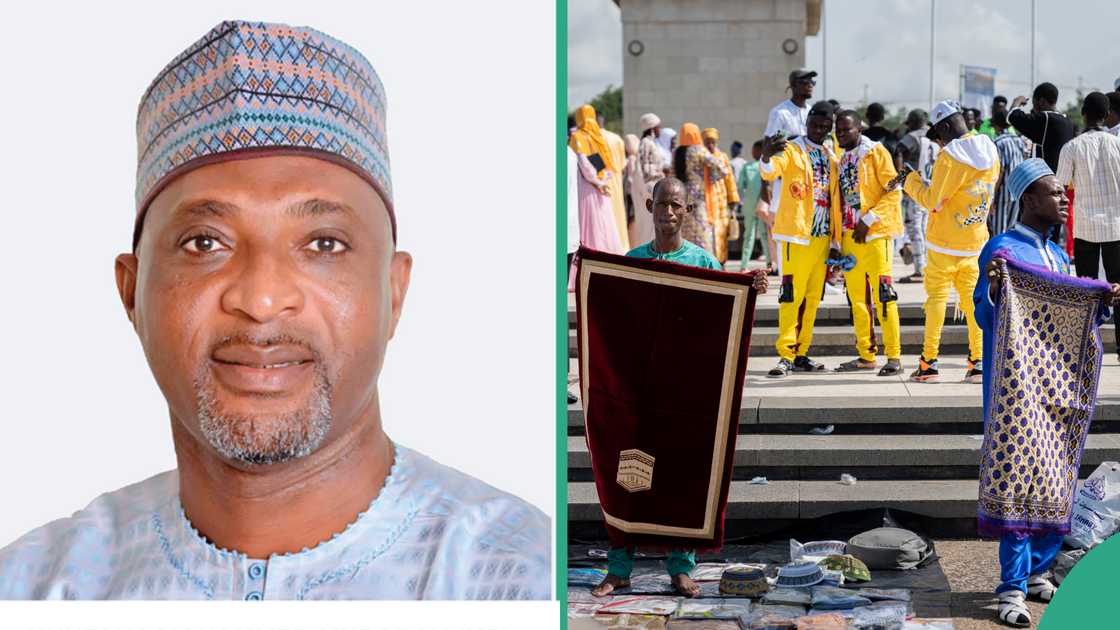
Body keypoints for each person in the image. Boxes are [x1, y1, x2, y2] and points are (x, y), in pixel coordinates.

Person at [0, 20, 550, 601]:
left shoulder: (519, 583)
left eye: (323, 244)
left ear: (394, 291)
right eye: (204, 243)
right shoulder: (34, 587)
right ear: (131, 291)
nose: (261, 300)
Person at [592, 178, 769, 599]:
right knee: (627, 476)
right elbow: (614, 322)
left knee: (682, 476)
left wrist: (749, 288)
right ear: (650, 207)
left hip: (684, 395)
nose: (668, 213)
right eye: (662, 205)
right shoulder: (633, 262)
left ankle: (681, 568)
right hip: (636, 395)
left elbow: (723, 318)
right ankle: (619, 568)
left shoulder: (704, 264)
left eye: (677, 206)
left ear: (687, 211)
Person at [974, 158, 1120, 627]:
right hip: (1018, 391)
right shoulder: (1003, 248)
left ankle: (1038, 571)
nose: (1063, 200)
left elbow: (1074, 318)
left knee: (1057, 476)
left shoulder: (1057, 255)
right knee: (1020, 479)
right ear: (1029, 199)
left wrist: (1100, 303)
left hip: (1059, 388)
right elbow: (986, 312)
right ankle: (1010, 589)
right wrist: (997, 288)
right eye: (1054, 193)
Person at [901, 100, 998, 384]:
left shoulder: (950, 157)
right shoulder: (991, 149)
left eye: (938, 136)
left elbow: (933, 201)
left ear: (945, 126)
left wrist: (911, 180)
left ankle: (928, 362)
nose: (940, 143)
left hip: (944, 243)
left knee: (936, 302)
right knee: (973, 304)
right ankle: (977, 362)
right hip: (976, 239)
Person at [760, 101, 840, 378]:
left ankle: (802, 352)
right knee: (791, 296)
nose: (819, 130)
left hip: (822, 238)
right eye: (815, 125)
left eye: (824, 127)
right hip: (796, 236)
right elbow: (770, 171)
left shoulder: (831, 153)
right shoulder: (792, 149)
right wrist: (766, 158)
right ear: (807, 124)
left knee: (812, 298)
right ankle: (785, 354)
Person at [832, 110, 904, 377]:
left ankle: (894, 357)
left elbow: (894, 190)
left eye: (845, 129)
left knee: (884, 297)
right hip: (850, 239)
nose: (840, 134)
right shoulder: (841, 158)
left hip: (875, 236)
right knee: (858, 301)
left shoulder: (876, 152)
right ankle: (866, 355)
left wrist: (868, 220)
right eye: (837, 130)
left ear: (859, 128)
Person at [1056, 92, 1120, 360]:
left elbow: (1060, 186)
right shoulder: (1117, 145)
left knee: (1086, 289)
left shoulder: (1072, 147)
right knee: (1119, 287)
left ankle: (1087, 346)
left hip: (1085, 228)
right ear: (1107, 116)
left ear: (1083, 114)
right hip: (1117, 227)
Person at [1009, 83, 1077, 252]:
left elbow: (1012, 117)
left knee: (1028, 234)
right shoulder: (1067, 122)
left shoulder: (1046, 119)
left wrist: (1016, 103)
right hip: (1059, 187)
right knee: (1051, 239)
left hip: (1042, 188)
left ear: (1040, 101)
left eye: (1034, 103)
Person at [571, 104, 626, 256]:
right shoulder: (599, 137)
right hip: (603, 187)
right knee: (604, 222)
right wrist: (603, 181)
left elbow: (584, 164)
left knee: (590, 223)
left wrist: (595, 181)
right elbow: (608, 163)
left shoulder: (577, 136)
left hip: (588, 187)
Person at [674, 123, 729, 256]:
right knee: (702, 236)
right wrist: (712, 178)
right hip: (698, 200)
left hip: (681, 199)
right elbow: (723, 169)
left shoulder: (677, 153)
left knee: (684, 234)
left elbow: (671, 174)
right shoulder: (699, 150)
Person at [896, 109, 939, 283]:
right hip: (932, 189)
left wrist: (901, 177)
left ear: (913, 122)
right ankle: (928, 266)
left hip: (916, 189)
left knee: (915, 229)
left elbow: (899, 149)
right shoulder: (935, 139)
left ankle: (920, 269)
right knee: (926, 228)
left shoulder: (913, 136)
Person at [703, 127, 742, 265]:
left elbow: (730, 179)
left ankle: (721, 261)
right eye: (707, 142)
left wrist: (733, 199)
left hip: (721, 201)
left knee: (722, 232)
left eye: (713, 142)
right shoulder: (701, 157)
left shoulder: (722, 157)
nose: (710, 145)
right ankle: (709, 262)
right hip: (706, 201)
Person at [989, 110, 1029, 236]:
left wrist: (992, 196)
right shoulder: (1019, 140)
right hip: (1018, 190)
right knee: (1011, 230)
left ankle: (1000, 255)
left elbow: (999, 171)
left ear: (996, 126)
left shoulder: (998, 142)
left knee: (999, 231)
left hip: (1003, 192)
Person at [599, 112, 631, 251]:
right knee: (618, 218)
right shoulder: (616, 138)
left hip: (600, 186)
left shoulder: (592, 138)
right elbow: (623, 166)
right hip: (617, 185)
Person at [738, 140, 771, 270]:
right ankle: (765, 264)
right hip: (757, 206)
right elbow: (741, 186)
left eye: (755, 149)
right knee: (757, 235)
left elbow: (741, 186)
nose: (752, 152)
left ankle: (748, 265)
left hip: (756, 205)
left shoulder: (753, 167)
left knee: (756, 235)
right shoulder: (753, 167)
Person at [639, 112, 668, 184]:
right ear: (652, 129)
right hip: (650, 185)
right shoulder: (646, 142)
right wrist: (661, 171)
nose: (660, 130)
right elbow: (644, 167)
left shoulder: (651, 142)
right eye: (659, 127)